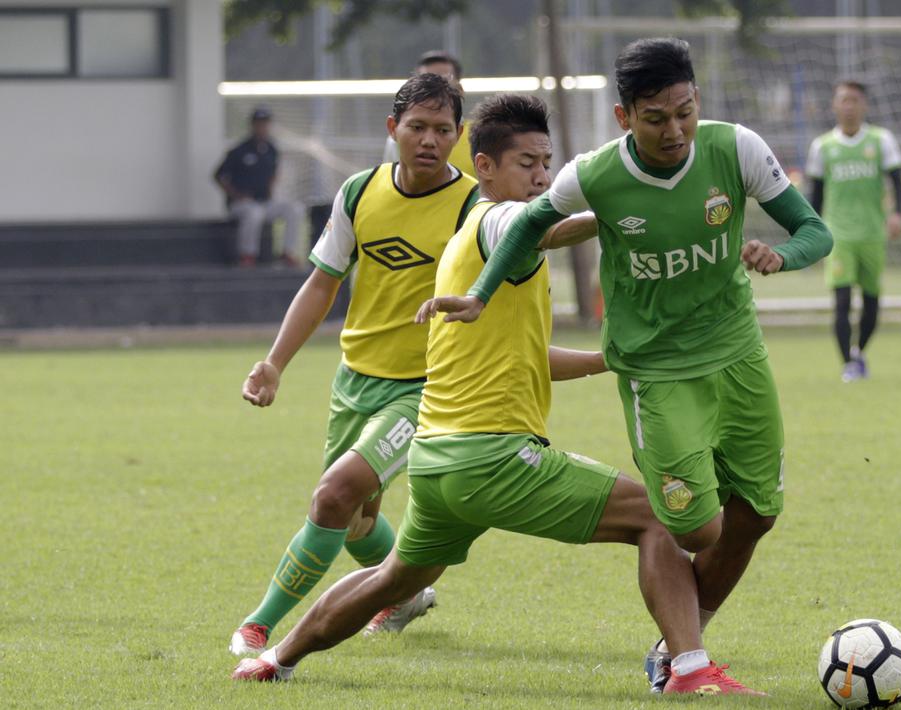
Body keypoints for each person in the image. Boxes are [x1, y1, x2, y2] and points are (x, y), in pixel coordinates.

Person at [233, 93, 764, 696]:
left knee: (395, 577)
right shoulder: (494, 221)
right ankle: (689, 671)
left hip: (438, 462)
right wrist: (635, 203)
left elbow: (527, 357)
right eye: (526, 164)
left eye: (547, 163)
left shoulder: (475, 245)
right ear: (484, 167)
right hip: (493, 459)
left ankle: (278, 657)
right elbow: (544, 227)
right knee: (662, 518)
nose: (541, 177)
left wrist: (607, 361)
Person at [432, 38, 832, 693]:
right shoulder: (594, 175)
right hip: (658, 370)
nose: (674, 130)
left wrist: (781, 255)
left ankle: (679, 656)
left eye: (685, 111)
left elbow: (816, 229)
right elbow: (532, 223)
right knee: (697, 528)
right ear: (625, 118)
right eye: (655, 117)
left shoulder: (737, 149)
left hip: (738, 357)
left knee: (756, 515)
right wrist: (479, 295)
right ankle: (687, 656)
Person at [228, 73, 479, 657]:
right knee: (358, 519)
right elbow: (321, 283)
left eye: (443, 130)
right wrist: (274, 363)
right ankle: (407, 594)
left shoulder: (473, 204)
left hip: (426, 386)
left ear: (458, 136)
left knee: (334, 495)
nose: (429, 140)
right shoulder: (359, 192)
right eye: (417, 127)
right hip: (355, 378)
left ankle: (261, 625)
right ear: (393, 129)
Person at [804, 80, 901, 382]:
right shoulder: (823, 147)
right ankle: (848, 363)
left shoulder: (880, 140)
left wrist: (898, 213)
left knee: (872, 302)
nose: (849, 106)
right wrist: (811, 229)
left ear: (864, 106)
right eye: (843, 100)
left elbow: (898, 179)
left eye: (855, 100)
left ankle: (859, 352)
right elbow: (815, 195)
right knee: (843, 300)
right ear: (834, 105)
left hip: (873, 234)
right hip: (839, 235)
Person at [214, 108, 307, 267]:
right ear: (252, 125)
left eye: (265, 124)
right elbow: (218, 176)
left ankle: (287, 252)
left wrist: (270, 190)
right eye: (259, 124)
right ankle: (248, 255)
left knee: (295, 209)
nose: (262, 128)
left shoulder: (271, 149)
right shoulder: (239, 150)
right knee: (254, 213)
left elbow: (273, 173)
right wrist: (236, 195)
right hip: (242, 204)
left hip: (265, 201)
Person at [383, 50, 474, 177]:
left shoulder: (480, 138)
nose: (428, 141)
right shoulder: (395, 142)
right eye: (426, 82)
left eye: (444, 82)